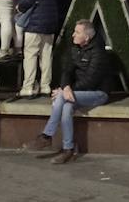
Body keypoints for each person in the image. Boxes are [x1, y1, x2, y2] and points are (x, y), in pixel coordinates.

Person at [22, 19, 112, 164]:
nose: (73, 35)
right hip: (76, 92)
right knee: (66, 107)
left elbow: (91, 81)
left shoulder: (98, 53)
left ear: (87, 37)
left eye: (77, 32)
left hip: (98, 93)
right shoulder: (75, 47)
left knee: (61, 99)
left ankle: (46, 136)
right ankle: (68, 149)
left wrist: (65, 92)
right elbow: (66, 71)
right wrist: (65, 87)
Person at [16, 0, 61, 100]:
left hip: (35, 22)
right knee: (47, 54)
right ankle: (45, 85)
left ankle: (28, 87)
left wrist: (19, 7)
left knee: (30, 54)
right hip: (50, 22)